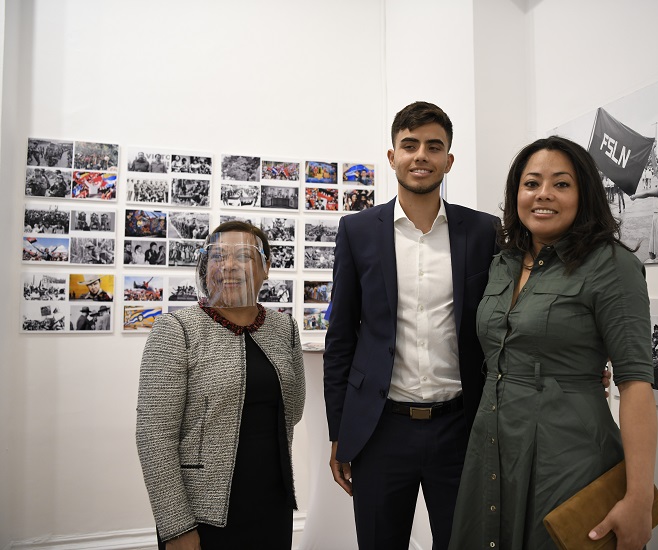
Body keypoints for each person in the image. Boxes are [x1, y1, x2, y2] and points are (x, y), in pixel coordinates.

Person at [449, 136, 657, 550]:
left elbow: (636, 383)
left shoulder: (612, 265)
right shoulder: (502, 263)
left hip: (568, 456)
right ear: (517, 194)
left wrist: (639, 499)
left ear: (584, 194)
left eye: (561, 184)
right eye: (532, 183)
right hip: (492, 447)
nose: (543, 194)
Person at [323, 101, 500, 549]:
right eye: (410, 145)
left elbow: (501, 327)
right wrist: (340, 432)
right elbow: (340, 338)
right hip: (380, 429)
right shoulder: (358, 231)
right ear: (392, 156)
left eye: (433, 146)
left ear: (448, 160)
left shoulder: (484, 232)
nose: (421, 155)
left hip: (461, 428)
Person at [136, 221, 305, 549]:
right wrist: (176, 527)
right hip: (201, 513)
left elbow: (293, 409)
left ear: (266, 267)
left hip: (273, 502)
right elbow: (154, 437)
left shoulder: (284, 328)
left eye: (243, 256)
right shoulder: (177, 329)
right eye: (217, 256)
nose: (228, 266)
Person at [630, 158, 658, 263]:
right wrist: (652, 151)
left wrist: (635, 196)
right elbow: (655, 166)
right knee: (655, 253)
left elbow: (648, 193)